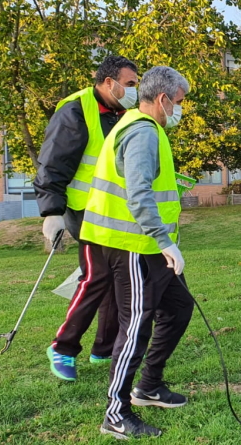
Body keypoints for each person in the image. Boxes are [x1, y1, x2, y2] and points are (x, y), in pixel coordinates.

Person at [79, 66, 194, 438]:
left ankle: (148, 386)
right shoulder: (143, 132)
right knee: (135, 326)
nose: (180, 110)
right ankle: (116, 413)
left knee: (178, 307)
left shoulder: (142, 128)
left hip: (147, 247)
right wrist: (164, 241)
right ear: (162, 99)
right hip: (133, 247)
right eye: (179, 103)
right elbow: (139, 194)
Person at [35, 55, 139, 381]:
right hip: (84, 212)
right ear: (109, 82)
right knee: (96, 277)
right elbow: (53, 162)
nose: (135, 90)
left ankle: (103, 348)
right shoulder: (76, 110)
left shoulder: (123, 113)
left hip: (113, 211)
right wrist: (52, 213)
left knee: (115, 278)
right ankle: (62, 347)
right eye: (131, 84)